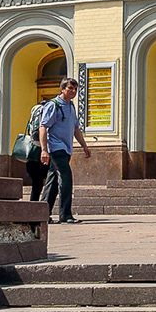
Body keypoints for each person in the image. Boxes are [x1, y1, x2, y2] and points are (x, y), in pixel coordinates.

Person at [34, 77, 91, 224]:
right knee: (66, 178)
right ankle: (65, 214)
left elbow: (76, 129)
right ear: (62, 89)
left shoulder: (70, 106)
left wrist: (84, 146)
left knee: (52, 182)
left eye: (75, 89)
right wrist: (44, 150)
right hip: (55, 148)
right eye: (70, 88)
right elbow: (43, 127)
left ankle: (42, 214)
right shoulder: (54, 105)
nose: (73, 91)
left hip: (66, 149)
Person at [23, 97, 50, 201]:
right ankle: (43, 206)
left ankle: (33, 206)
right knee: (51, 181)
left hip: (33, 152)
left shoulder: (34, 112)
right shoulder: (47, 112)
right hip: (45, 151)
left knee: (36, 184)